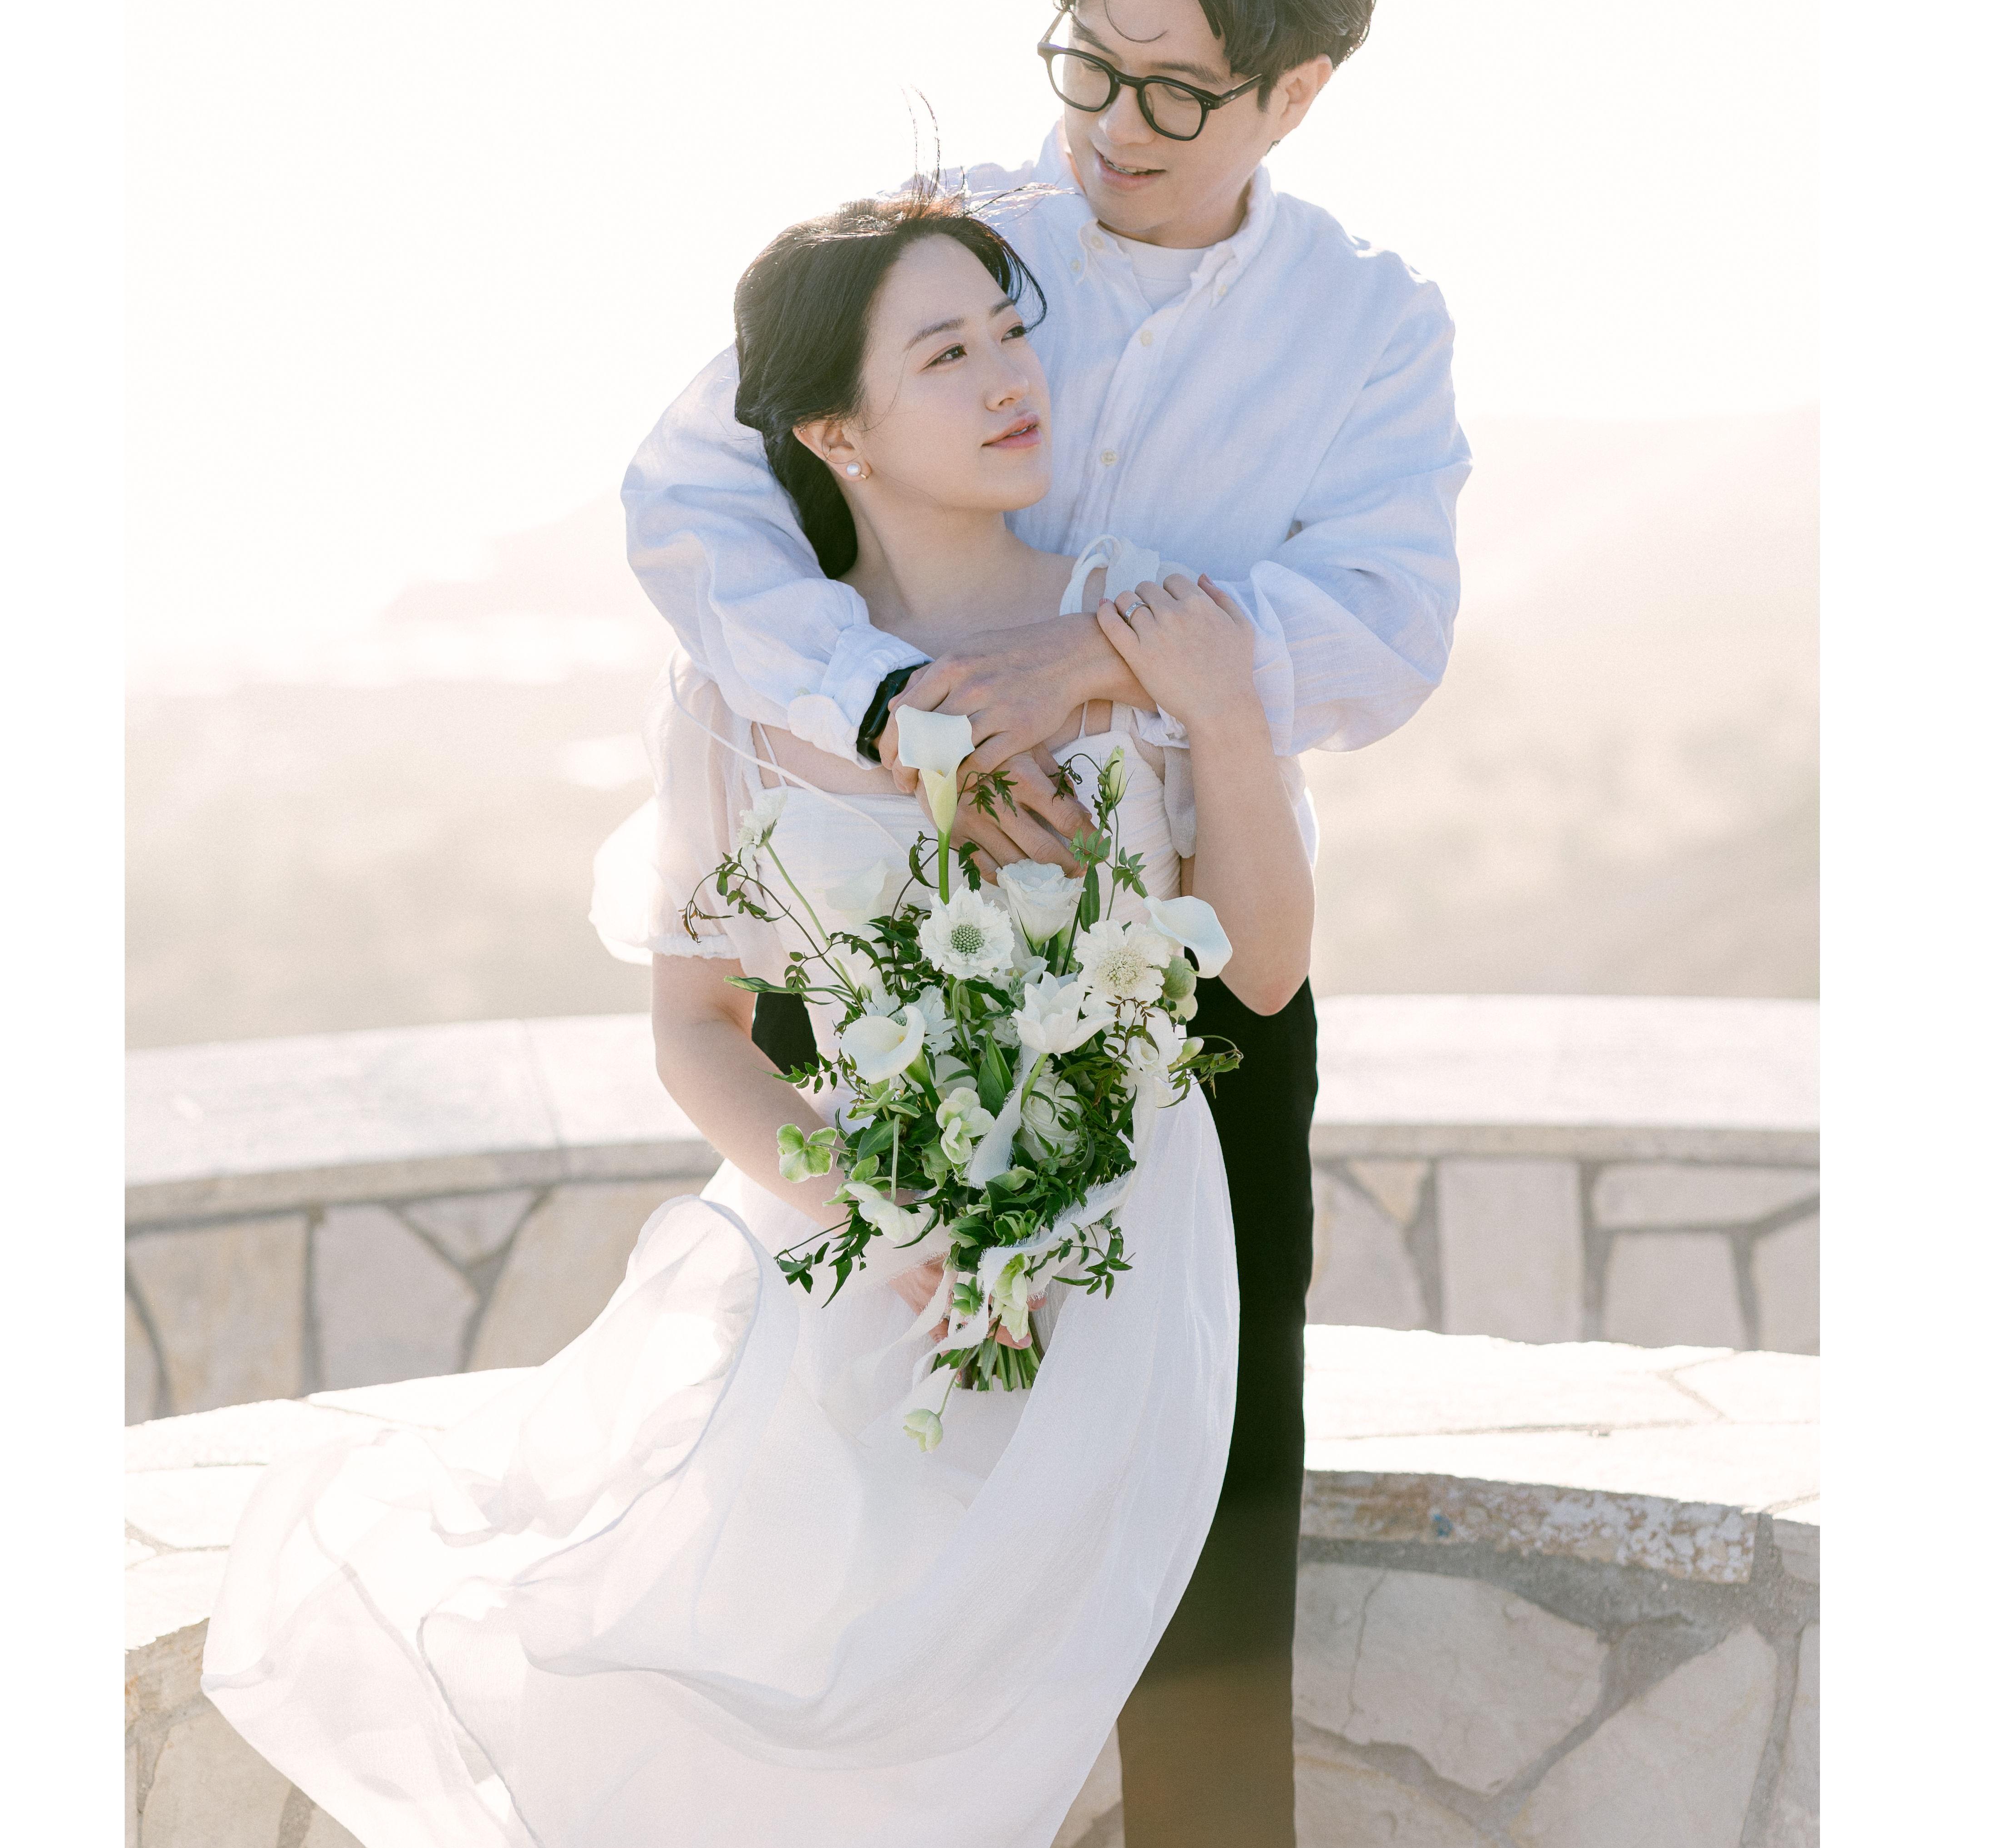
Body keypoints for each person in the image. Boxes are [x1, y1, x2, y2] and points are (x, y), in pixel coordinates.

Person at [201, 196, 1317, 1848]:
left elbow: (1264, 971)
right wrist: (893, 1215)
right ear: (833, 431)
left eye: (1012, 334)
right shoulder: (740, 690)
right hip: (863, 1262)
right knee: (808, 1718)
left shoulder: (1143, 622)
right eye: (946, 354)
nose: (1009, 378)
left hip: (1133, 1256)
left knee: (1129, 1715)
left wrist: (1216, 706)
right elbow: (696, 1027)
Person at [621, 0, 1469, 1846]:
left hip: (1196, 954)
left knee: (1210, 1524)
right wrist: (888, 707)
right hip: (879, 947)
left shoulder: (1364, 323)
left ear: (1294, 93)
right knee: (868, 1528)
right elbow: (694, 495)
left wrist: (1098, 659)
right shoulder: (952, 248)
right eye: (1087, 59)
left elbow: (1384, 621)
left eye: (1176, 88)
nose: (1112, 123)